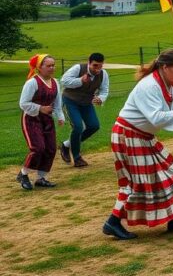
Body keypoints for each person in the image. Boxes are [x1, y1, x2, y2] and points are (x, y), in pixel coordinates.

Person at [102, 49, 173, 240]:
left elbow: (169, 111)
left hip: (144, 136)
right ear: (165, 67)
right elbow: (156, 118)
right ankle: (112, 222)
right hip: (127, 136)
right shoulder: (148, 86)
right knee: (136, 184)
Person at [17, 54, 65, 190]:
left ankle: (41, 178)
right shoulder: (32, 82)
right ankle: (23, 174)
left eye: (53, 65)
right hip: (31, 119)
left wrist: (60, 116)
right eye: (48, 65)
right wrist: (40, 108)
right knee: (38, 148)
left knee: (50, 149)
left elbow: (57, 102)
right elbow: (23, 103)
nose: (52, 68)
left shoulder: (55, 82)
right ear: (39, 67)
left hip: (47, 119)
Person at [58, 52, 110, 167]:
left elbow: (104, 90)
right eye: (95, 65)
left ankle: (66, 145)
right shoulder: (78, 68)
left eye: (100, 66)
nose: (98, 69)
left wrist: (101, 99)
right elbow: (63, 81)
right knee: (77, 126)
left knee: (94, 126)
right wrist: (80, 80)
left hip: (86, 103)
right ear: (89, 63)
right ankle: (76, 157)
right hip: (70, 101)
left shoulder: (103, 74)